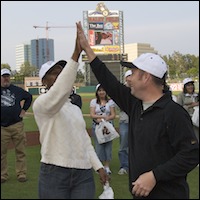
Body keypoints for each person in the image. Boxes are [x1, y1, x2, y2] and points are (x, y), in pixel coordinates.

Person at [76, 21, 199, 199]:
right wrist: (87, 48)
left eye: (132, 73)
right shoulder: (135, 104)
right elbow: (109, 82)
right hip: (140, 194)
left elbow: (191, 154)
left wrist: (155, 176)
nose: (129, 79)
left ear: (146, 77)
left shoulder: (173, 113)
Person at [32, 27, 108, 199]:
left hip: (83, 174)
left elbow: (83, 140)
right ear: (44, 82)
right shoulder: (42, 105)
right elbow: (60, 90)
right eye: (53, 74)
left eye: (61, 72)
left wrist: (98, 166)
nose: (59, 75)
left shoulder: (74, 108)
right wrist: (76, 53)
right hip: (54, 172)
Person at [1, 68, 33, 183]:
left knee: (21, 151)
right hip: (2, 127)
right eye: (3, 76)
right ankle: (2, 175)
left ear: (10, 77)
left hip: (16, 125)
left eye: (7, 76)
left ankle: (21, 173)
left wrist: (24, 110)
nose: (6, 78)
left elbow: (29, 97)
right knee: (1, 153)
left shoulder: (17, 90)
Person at [90, 84, 116, 175]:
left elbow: (113, 115)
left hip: (108, 126)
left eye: (103, 90)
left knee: (108, 147)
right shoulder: (94, 102)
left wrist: (106, 119)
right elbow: (92, 114)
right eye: (100, 90)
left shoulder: (110, 102)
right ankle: (99, 166)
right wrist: (101, 117)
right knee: (99, 146)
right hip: (97, 126)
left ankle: (107, 166)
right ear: (97, 92)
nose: (102, 92)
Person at [117, 70, 132, 175]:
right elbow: (118, 104)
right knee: (123, 144)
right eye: (128, 76)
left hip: (136, 120)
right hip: (124, 120)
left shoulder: (139, 89)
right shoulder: (122, 90)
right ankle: (124, 165)